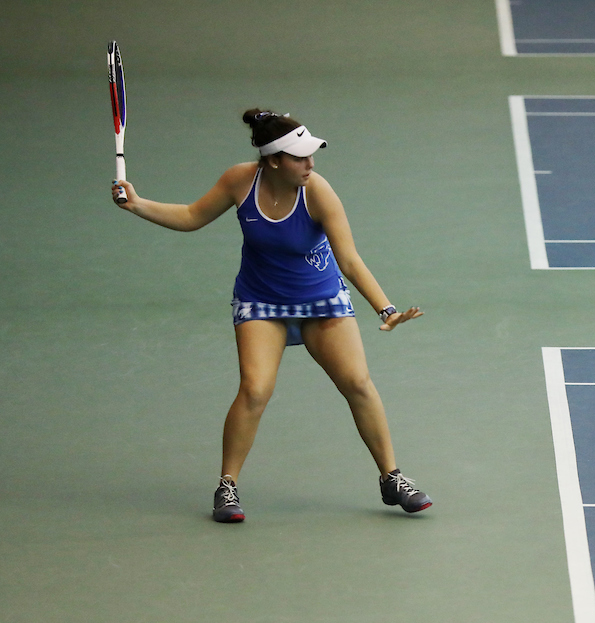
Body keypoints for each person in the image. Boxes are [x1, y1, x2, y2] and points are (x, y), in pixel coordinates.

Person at [112, 109, 431, 522]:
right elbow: (192, 217)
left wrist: (385, 308)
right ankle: (227, 486)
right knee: (255, 390)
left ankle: (392, 478)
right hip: (261, 301)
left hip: (321, 299)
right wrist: (137, 204)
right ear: (274, 160)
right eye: (300, 157)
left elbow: (349, 259)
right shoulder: (239, 181)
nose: (310, 164)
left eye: (311, 155)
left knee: (357, 382)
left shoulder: (318, 191)